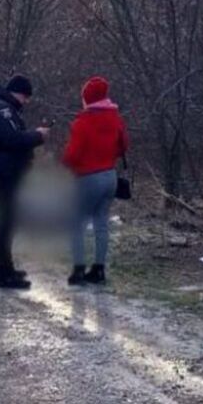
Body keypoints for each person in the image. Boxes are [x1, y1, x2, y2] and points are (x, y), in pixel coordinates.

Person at [0, 74, 49, 289]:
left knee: (9, 222)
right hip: (5, 173)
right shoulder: (0, 110)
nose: (26, 101)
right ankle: (3, 274)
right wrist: (37, 136)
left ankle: (6, 269)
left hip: (7, 172)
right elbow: (12, 139)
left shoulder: (0, 109)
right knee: (5, 223)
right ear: (17, 92)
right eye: (25, 96)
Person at [61, 75, 128, 286]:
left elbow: (72, 155)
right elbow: (124, 145)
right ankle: (99, 270)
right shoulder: (116, 118)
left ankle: (79, 270)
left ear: (87, 98)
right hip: (110, 176)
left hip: (88, 178)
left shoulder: (83, 122)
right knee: (101, 223)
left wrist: (67, 166)